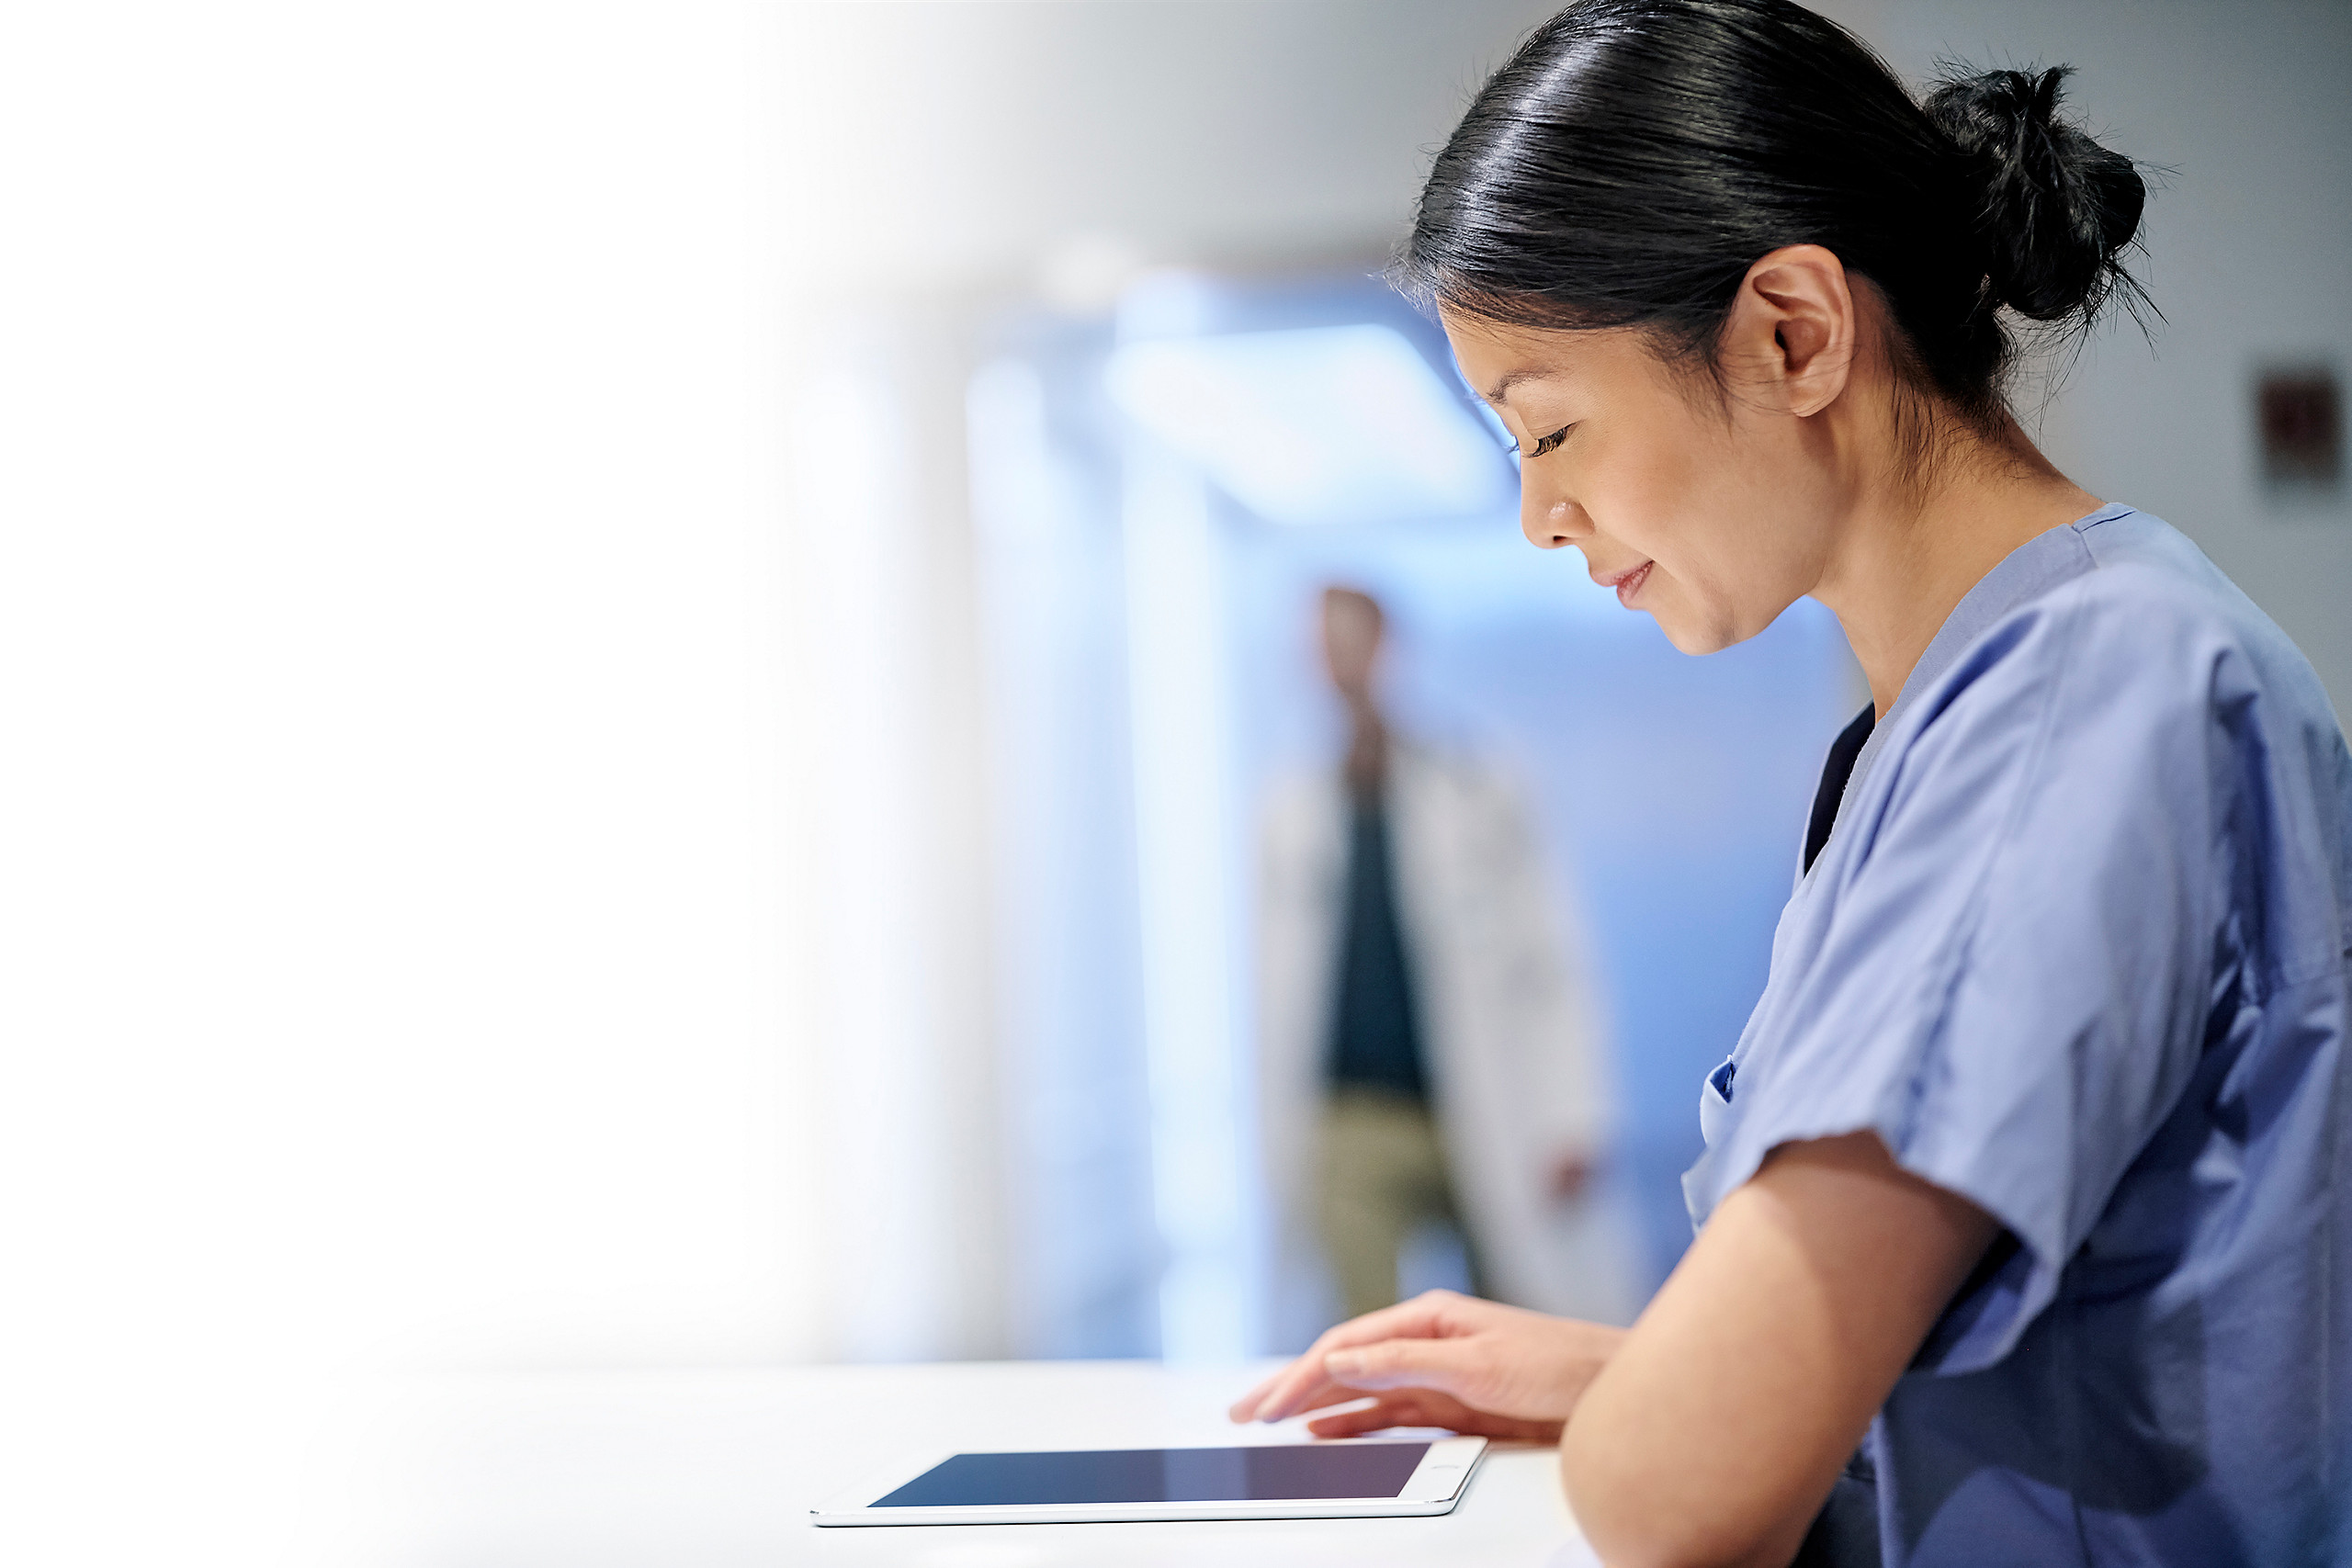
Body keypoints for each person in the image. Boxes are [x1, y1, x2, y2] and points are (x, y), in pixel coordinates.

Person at [1228, 3, 2352, 1565]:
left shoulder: (2079, 701)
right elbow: (2019, 1380)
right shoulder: (1971, 705)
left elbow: (1676, 1491)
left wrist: (1661, 1409)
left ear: (1793, 334)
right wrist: (1628, 1370)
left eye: (1550, 427)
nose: (1539, 517)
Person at [1257, 586, 1623, 1329]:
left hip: (1479, 1104)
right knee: (1364, 1341)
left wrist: (1574, 1112)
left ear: (1389, 647)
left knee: (1512, 1319)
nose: (1337, 662)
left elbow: (1551, 960)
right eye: (1323, 645)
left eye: (1350, 640)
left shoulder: (1477, 785)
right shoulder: (1291, 805)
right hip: (1351, 1112)